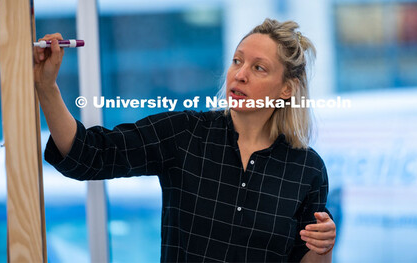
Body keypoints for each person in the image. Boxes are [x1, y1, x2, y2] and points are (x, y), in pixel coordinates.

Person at [34, 18, 336, 262]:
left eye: (258, 68)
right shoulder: (185, 134)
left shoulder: (307, 168)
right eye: (237, 61)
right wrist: (47, 89)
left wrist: (323, 247)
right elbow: (89, 155)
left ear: (287, 89)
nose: (240, 75)